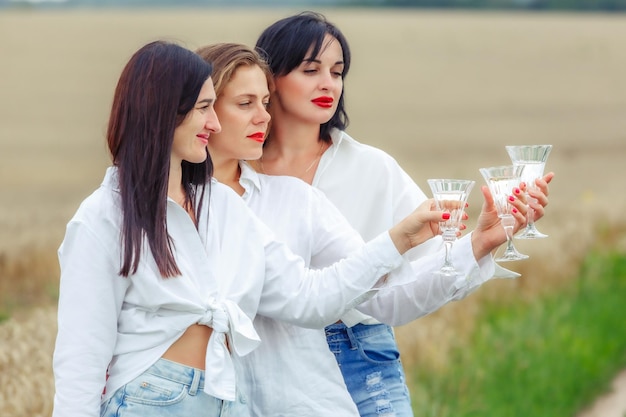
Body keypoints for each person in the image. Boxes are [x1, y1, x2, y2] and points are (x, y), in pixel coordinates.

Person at [51, 40, 457, 417]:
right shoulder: (103, 216)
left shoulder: (224, 207)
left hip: (228, 400)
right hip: (148, 399)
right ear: (161, 110)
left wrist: (401, 238)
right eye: (203, 107)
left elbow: (309, 298)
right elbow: (81, 356)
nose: (213, 123)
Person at [195, 42, 545, 416]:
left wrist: (478, 243)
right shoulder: (157, 203)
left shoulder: (295, 199)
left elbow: (384, 296)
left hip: (305, 397)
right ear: (201, 111)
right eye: (246, 104)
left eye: (264, 103)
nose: (263, 116)